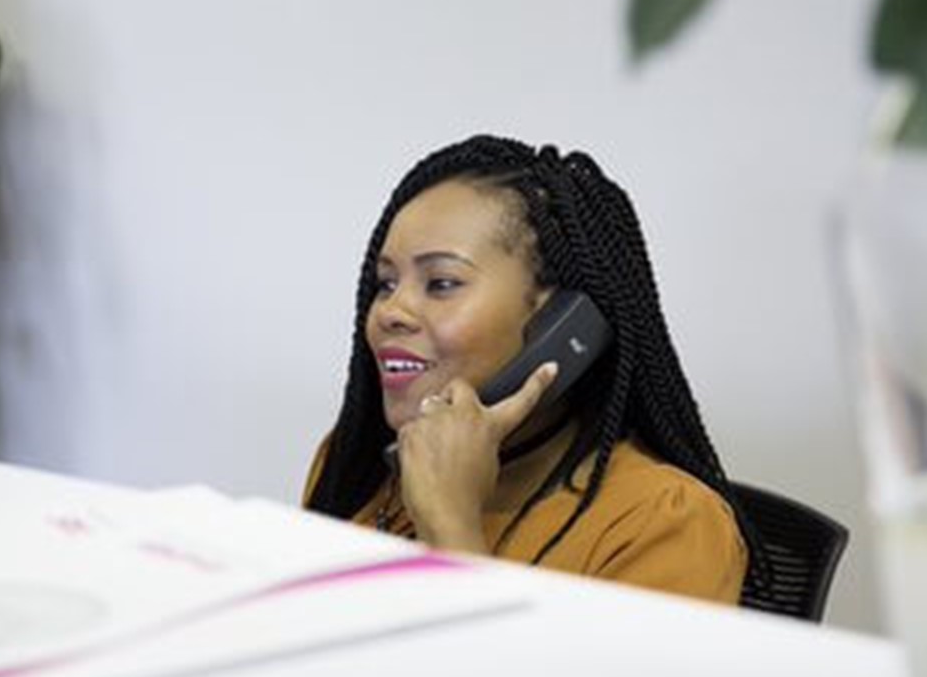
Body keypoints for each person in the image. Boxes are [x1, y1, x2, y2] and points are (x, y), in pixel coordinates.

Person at [304, 135, 754, 605]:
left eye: (440, 283)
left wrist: (450, 522)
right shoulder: (354, 469)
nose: (391, 311)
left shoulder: (662, 523)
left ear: (562, 325)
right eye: (386, 283)